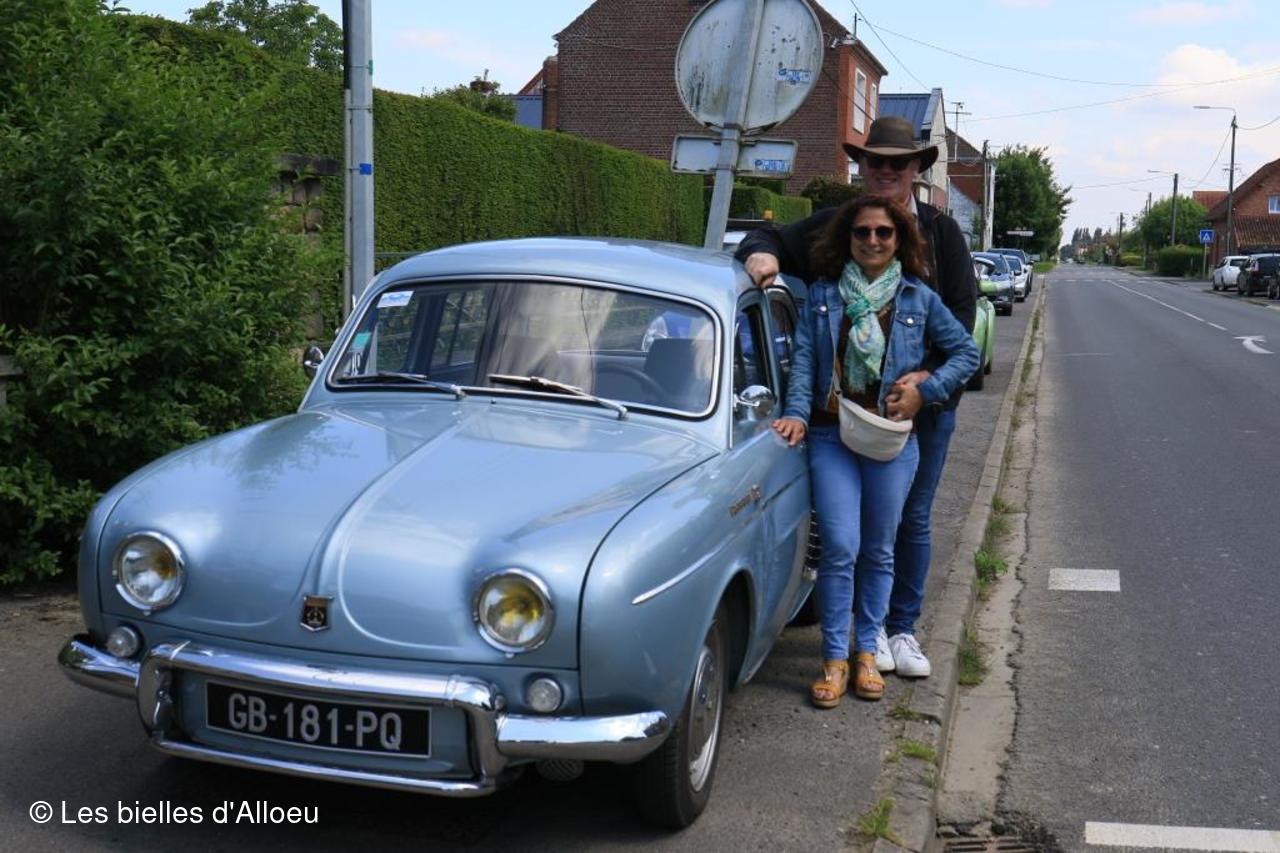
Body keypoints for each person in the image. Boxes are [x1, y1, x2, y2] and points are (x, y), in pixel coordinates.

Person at [737, 115, 977, 679]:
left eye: (898, 163)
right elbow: (770, 240)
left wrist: (926, 383)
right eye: (876, 161)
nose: (886, 171)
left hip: (919, 415)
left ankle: (899, 629)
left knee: (908, 522)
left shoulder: (941, 233)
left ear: (917, 169)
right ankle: (857, 644)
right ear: (863, 167)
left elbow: (963, 321)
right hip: (839, 420)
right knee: (846, 537)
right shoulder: (837, 225)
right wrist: (761, 257)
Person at [773, 196, 978, 706]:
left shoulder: (917, 298)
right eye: (862, 232)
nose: (872, 240)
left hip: (890, 437)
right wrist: (797, 414)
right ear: (847, 238)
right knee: (841, 546)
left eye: (883, 232)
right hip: (831, 435)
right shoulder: (823, 295)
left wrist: (926, 390)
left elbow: (965, 353)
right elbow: (804, 363)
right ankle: (834, 660)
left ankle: (867, 652)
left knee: (880, 549)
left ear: (899, 240)